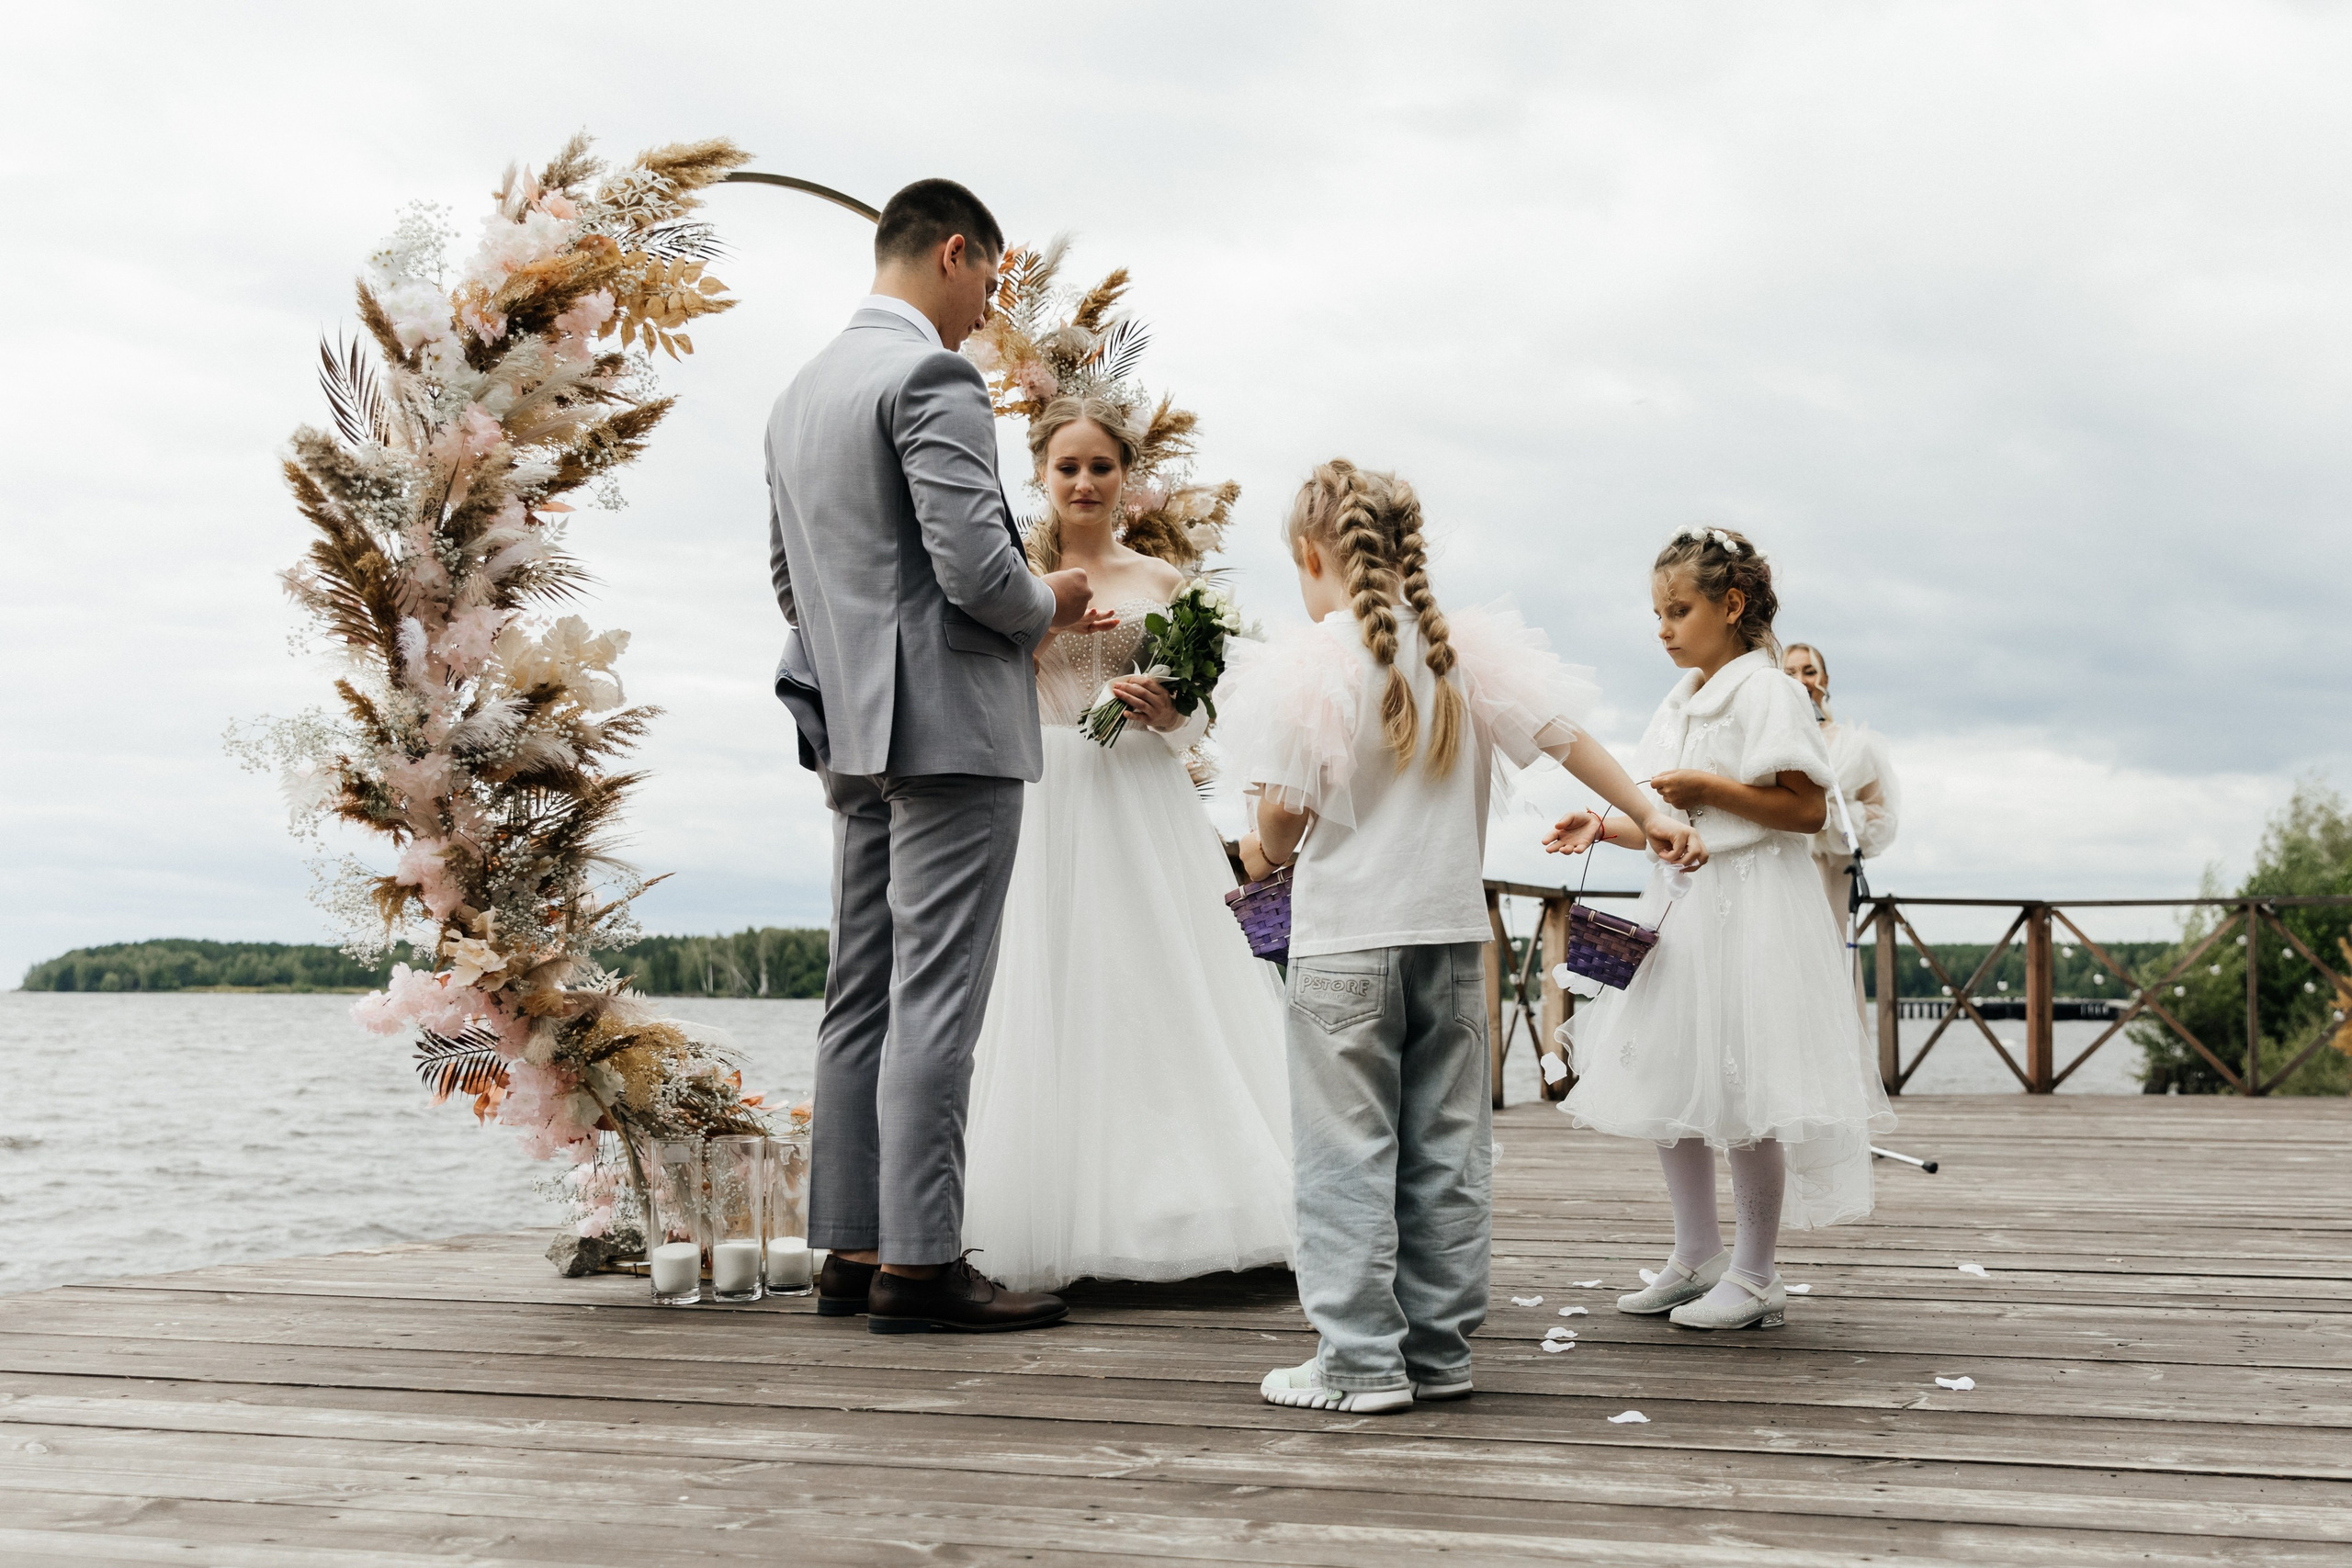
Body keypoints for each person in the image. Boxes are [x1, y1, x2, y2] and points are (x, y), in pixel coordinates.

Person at [1222, 459, 1700, 1414]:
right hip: (1449, 944)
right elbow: (1567, 739)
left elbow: (1280, 819)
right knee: (1446, 1152)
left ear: (1314, 555)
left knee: (1343, 1155)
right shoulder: (1460, 655)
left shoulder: (1317, 659)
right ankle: (1437, 1352)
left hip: (1345, 949)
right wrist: (1649, 814)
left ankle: (1358, 1361)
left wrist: (1258, 849)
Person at [763, 178, 1114, 1335]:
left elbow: (790, 583)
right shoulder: (931, 376)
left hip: (851, 733)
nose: (983, 317)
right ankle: (921, 1263)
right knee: (937, 995)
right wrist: (1049, 599)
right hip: (952, 729)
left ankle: (851, 1248)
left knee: (858, 988)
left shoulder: (798, 396)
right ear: (954, 254)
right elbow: (976, 571)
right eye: (988, 286)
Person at [959, 396, 1295, 1291]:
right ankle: (1052, 1211)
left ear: (1125, 478)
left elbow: (1204, 715)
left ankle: (1184, 1205)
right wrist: (1035, 646)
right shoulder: (1002, 574)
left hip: (1143, 796)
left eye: (1100, 467)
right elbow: (971, 688)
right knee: (1053, 988)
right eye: (1066, 467)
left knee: (1162, 987)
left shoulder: (1164, 586)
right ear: (1040, 472)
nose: (1082, 482)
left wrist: (1172, 710)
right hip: (1045, 792)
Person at [1546, 527, 1895, 1333]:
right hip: (1681, 909)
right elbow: (1668, 816)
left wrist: (1713, 786)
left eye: (1679, 609)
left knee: (1746, 1084)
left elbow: (1805, 809)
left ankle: (1757, 1270)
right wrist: (1606, 828)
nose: (1662, 627)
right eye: (1657, 612)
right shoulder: (1681, 700)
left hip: (1750, 909)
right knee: (1676, 1078)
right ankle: (1696, 1251)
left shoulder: (1768, 691)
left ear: (1731, 606)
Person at [1781, 643, 1903, 977]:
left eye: (1808, 671)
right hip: (1779, 868)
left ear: (1825, 679)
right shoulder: (1773, 739)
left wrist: (1826, 816)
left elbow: (1881, 817)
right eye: (1789, 673)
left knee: (1826, 965)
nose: (1801, 680)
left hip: (1829, 874)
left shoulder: (1853, 745)